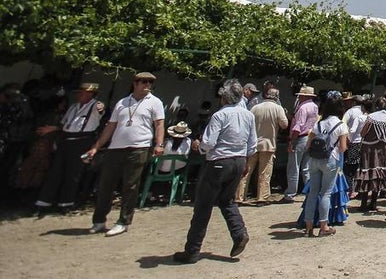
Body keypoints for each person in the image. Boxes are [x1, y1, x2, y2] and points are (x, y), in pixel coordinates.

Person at [173, 79, 257, 263]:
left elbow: (209, 143)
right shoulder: (248, 115)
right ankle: (239, 233)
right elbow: (252, 144)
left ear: (224, 97)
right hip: (239, 161)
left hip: (219, 161)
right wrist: (247, 163)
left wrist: (199, 146)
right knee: (227, 201)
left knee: (203, 206)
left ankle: (192, 250)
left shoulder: (220, 115)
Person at [87, 71, 165, 236]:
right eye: (144, 82)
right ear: (135, 83)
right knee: (105, 185)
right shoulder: (122, 102)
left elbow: (159, 125)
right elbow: (110, 126)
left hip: (139, 147)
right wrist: (97, 146)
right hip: (116, 148)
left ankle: (123, 221)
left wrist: (159, 144)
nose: (147, 85)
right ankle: (99, 220)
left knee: (130, 186)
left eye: (150, 83)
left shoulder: (155, 102)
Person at [33, 82, 104, 215]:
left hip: (82, 141)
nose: (79, 95)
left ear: (90, 94)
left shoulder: (95, 106)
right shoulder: (73, 107)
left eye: (82, 92)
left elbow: (101, 109)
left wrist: (100, 107)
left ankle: (66, 203)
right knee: (55, 171)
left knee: (73, 173)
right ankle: (44, 202)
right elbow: (64, 124)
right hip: (66, 140)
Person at [297, 92, 349, 237]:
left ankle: (308, 226)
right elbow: (343, 148)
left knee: (313, 192)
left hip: (314, 160)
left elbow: (309, 144)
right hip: (330, 160)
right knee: (325, 193)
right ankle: (324, 225)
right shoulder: (341, 125)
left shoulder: (318, 124)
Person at [237, 88, 288, 205]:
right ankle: (262, 197)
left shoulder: (255, 107)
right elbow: (284, 124)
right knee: (264, 172)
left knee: (246, 171)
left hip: (253, 144)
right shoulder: (277, 108)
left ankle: (239, 196)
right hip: (268, 144)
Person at [354, 97, 386, 213]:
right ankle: (374, 202)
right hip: (382, 148)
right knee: (379, 173)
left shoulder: (371, 117)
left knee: (367, 172)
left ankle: (364, 202)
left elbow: (363, 132)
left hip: (369, 148)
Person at [281, 85, 318, 203]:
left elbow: (298, 126)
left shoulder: (302, 108)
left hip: (301, 137)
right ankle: (309, 191)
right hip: (310, 136)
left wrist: (292, 140)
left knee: (293, 167)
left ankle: (290, 193)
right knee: (306, 168)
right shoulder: (315, 106)